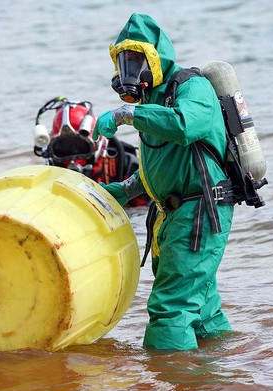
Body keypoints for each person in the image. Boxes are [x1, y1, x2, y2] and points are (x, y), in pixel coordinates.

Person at [93, 13, 234, 350]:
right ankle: (223, 378)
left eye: (136, 59)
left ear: (156, 57)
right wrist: (123, 191)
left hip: (200, 210)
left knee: (170, 307)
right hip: (172, 215)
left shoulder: (191, 87)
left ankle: (172, 387)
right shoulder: (152, 103)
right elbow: (161, 167)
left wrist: (127, 115)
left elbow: (187, 125)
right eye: (123, 60)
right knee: (202, 310)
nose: (129, 70)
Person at [33, 97, 149, 207]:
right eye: (64, 148)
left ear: (97, 145)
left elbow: (144, 209)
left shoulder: (125, 164)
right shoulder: (52, 170)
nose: (73, 159)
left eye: (81, 147)